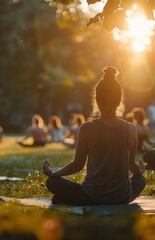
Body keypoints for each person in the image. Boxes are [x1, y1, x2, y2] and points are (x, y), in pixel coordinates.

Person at [42, 66, 146, 205]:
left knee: (52, 182)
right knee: (141, 180)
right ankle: (70, 198)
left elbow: (77, 165)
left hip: (91, 197)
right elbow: (131, 166)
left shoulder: (87, 127)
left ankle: (69, 198)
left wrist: (54, 173)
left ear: (96, 99)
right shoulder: (131, 129)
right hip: (122, 197)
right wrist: (139, 171)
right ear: (119, 99)